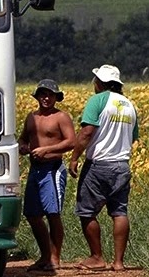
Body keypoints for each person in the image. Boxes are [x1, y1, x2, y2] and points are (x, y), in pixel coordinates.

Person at [69, 64, 140, 272]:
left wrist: (74, 158)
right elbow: (133, 137)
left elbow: (87, 132)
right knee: (119, 212)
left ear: (99, 83)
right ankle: (118, 262)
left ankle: (97, 257)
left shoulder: (98, 100)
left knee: (86, 211)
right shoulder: (129, 105)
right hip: (122, 165)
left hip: (99, 164)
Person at [18, 79, 76, 272]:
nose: (46, 98)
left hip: (53, 168)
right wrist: (23, 147)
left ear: (56, 98)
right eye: (43, 94)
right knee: (32, 215)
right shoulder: (31, 117)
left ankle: (55, 257)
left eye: (50, 95)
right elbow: (23, 138)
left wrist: (47, 150)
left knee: (53, 213)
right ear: (37, 97)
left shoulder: (61, 117)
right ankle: (45, 255)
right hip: (35, 169)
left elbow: (71, 142)